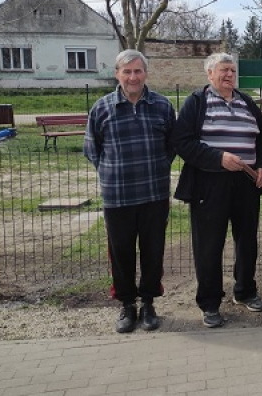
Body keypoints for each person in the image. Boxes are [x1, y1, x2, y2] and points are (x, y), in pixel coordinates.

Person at [173, 53, 262, 328]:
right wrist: (218, 159)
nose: (229, 75)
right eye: (223, 70)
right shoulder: (197, 102)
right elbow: (182, 141)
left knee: (247, 241)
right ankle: (210, 302)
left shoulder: (247, 102)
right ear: (209, 74)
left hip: (246, 183)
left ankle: (245, 291)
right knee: (209, 245)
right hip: (210, 183)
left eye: (232, 70)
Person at [84, 49, 176, 334]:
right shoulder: (102, 108)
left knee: (152, 252)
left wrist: (157, 167)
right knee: (121, 253)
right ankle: (127, 305)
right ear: (117, 74)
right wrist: (113, 172)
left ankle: (148, 303)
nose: (132, 77)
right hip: (117, 197)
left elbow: (172, 146)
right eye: (127, 72)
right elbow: (92, 149)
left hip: (154, 195)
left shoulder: (162, 106)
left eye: (137, 71)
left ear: (145, 73)